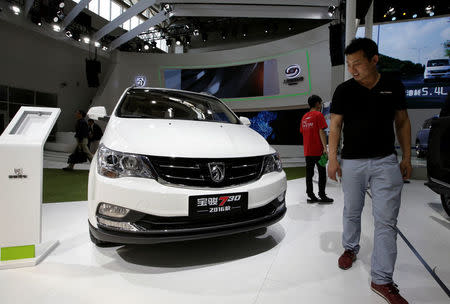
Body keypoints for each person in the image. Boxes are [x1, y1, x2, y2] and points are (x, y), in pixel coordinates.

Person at [328, 38, 412, 304]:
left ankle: (382, 279)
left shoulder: (393, 86)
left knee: (386, 221)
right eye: (349, 65)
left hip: (386, 161)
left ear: (374, 60)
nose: (353, 70)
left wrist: (407, 156)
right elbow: (335, 127)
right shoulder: (343, 90)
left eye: (358, 64)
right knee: (352, 211)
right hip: (352, 162)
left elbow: (402, 121)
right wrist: (332, 158)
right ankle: (350, 248)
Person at [300, 95, 334, 203]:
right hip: (318, 151)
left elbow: (303, 132)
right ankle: (322, 195)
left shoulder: (304, 117)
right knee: (322, 173)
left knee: (309, 174)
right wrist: (325, 147)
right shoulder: (319, 115)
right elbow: (321, 131)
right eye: (320, 102)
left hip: (307, 151)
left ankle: (311, 195)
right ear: (318, 103)